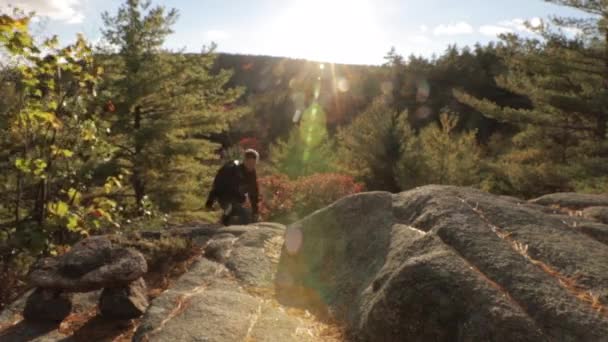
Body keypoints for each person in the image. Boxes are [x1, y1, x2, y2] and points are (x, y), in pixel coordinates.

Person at [205, 149, 260, 225]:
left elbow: (254, 193)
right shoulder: (233, 169)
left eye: (253, 163)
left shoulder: (252, 174)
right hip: (224, 197)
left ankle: (225, 222)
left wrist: (255, 211)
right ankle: (223, 222)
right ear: (244, 160)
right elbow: (218, 184)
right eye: (249, 162)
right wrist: (210, 201)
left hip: (237, 200)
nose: (251, 165)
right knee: (235, 210)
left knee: (247, 215)